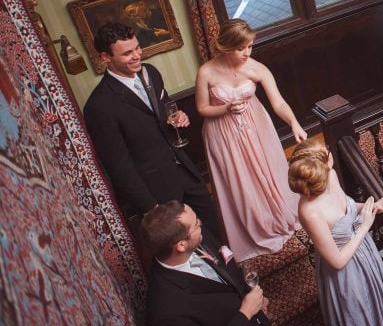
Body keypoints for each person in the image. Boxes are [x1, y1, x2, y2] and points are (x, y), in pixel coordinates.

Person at [84, 22, 220, 238]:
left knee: (213, 227)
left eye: (137, 48)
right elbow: (119, 167)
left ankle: (231, 270)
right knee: (187, 244)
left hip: (184, 169)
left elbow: (164, 108)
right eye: (127, 53)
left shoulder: (151, 73)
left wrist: (175, 117)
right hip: (157, 190)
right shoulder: (99, 106)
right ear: (105, 57)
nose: (137, 55)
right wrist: (151, 208)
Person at [195, 18, 306, 261]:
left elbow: (278, 102)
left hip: (256, 126)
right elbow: (202, 108)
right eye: (240, 48)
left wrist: (294, 122)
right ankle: (252, 227)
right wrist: (224, 109)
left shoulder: (257, 68)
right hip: (222, 132)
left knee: (267, 170)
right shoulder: (206, 71)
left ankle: (276, 215)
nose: (247, 52)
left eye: (250, 46)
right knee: (239, 178)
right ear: (225, 47)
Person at [287, 140, 383, 326]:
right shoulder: (309, 211)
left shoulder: (332, 175)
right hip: (346, 273)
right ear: (322, 165)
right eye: (326, 150)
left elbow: (349, 207)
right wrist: (365, 226)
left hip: (364, 251)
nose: (329, 149)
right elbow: (337, 261)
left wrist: (374, 205)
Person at [140, 200, 272, 326]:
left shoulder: (196, 240)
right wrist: (245, 313)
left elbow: (229, 273)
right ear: (181, 245)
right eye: (196, 224)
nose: (200, 223)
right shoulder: (167, 311)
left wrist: (252, 299)